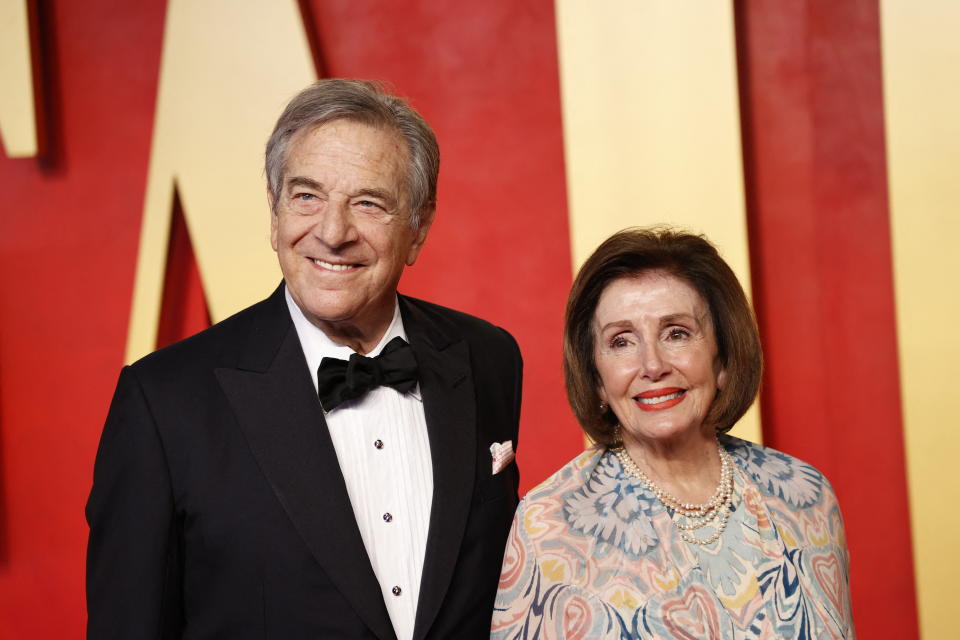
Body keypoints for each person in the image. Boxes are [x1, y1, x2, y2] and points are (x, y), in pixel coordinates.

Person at [86, 79, 522, 640]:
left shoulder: (488, 357)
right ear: (274, 213)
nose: (333, 232)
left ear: (419, 228)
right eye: (307, 196)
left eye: (369, 203)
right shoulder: (164, 401)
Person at [492, 228, 854, 639]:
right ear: (596, 377)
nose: (652, 364)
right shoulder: (549, 525)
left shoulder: (805, 495)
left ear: (723, 357)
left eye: (676, 333)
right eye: (622, 341)